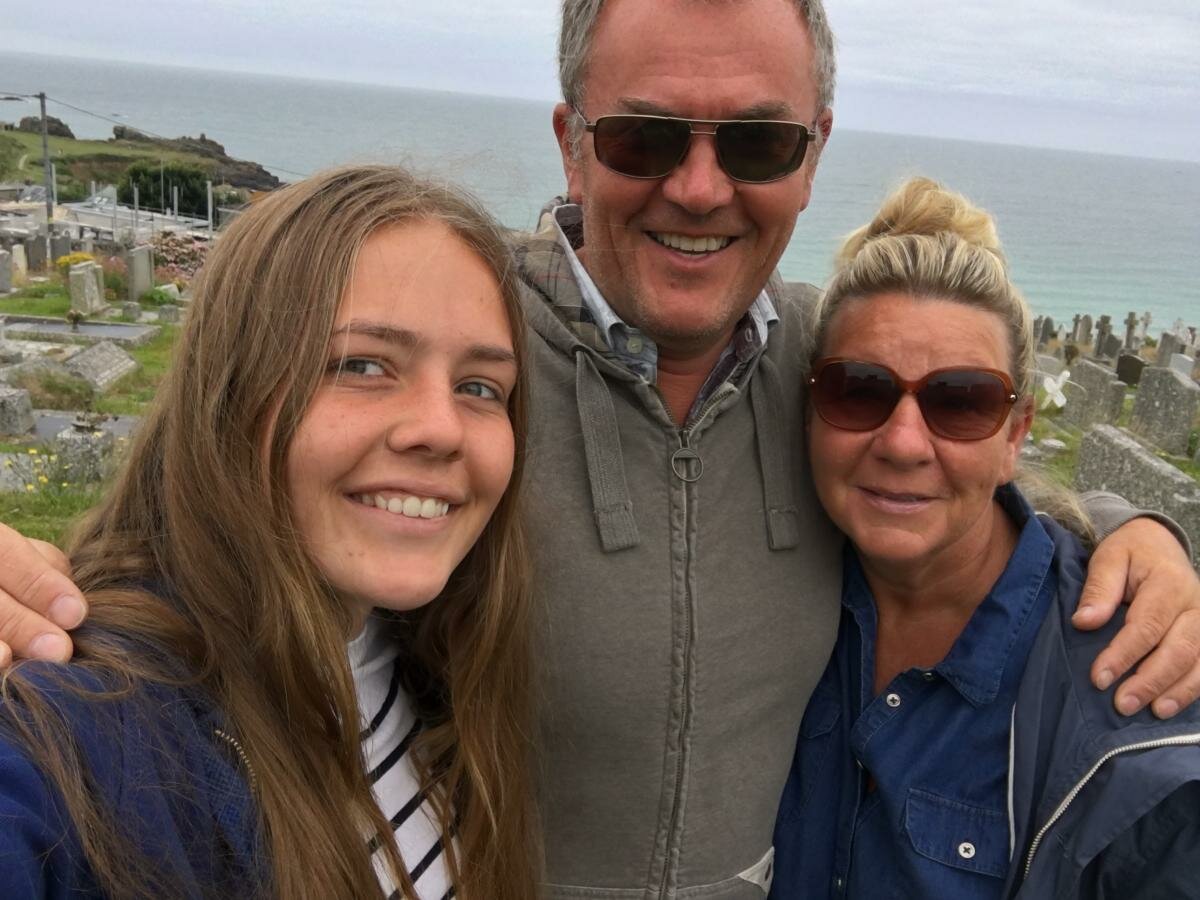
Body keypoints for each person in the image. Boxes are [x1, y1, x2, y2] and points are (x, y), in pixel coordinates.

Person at [0, 2, 1198, 897]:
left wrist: (1135, 535)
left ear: (814, 154)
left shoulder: (832, 376)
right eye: (643, 137)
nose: (699, 187)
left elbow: (944, 464)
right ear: (572, 142)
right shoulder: (472, 347)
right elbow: (211, 503)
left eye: (758, 143)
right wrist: (35, 600)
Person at [0, 165, 539, 899]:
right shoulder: (78, 726)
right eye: (362, 365)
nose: (442, 429)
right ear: (230, 394)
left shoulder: (443, 675)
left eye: (479, 387)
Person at [771, 178, 1200, 899]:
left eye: (961, 402)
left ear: (1015, 435)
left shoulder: (1133, 695)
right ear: (809, 409)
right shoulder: (768, 582)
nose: (903, 443)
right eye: (860, 389)